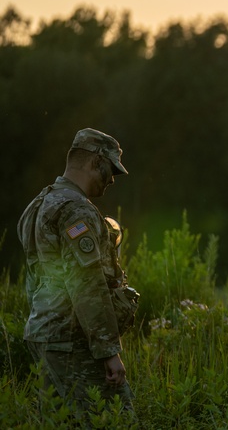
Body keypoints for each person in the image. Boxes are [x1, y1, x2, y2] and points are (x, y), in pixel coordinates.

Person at [18, 128, 135, 417]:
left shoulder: (40, 203)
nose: (111, 179)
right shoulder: (76, 210)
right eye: (109, 170)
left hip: (45, 335)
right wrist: (109, 351)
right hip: (73, 342)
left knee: (60, 422)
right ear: (95, 162)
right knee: (118, 418)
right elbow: (87, 284)